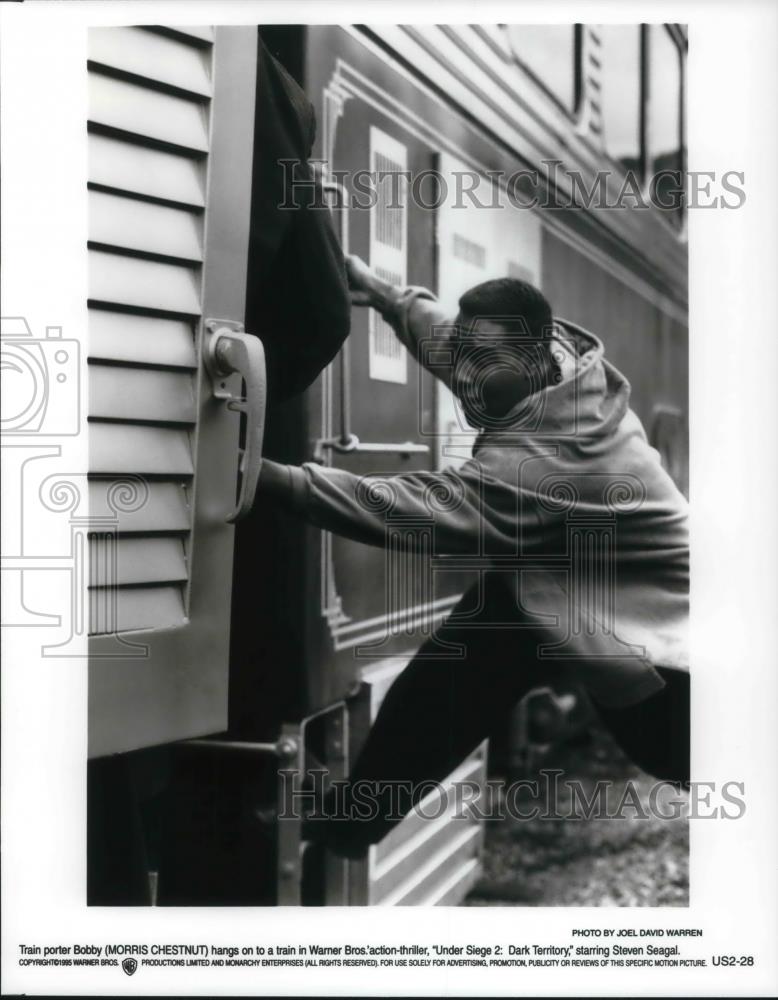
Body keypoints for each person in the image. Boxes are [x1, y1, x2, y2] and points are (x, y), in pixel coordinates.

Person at [258, 256, 690, 857]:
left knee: (490, 630)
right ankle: (352, 823)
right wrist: (382, 292)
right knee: (493, 626)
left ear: (534, 361)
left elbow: (408, 509)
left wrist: (266, 478)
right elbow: (447, 337)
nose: (464, 376)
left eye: (479, 363)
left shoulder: (551, 460)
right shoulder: (553, 370)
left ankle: (351, 823)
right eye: (463, 355)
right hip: (637, 642)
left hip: (680, 698)